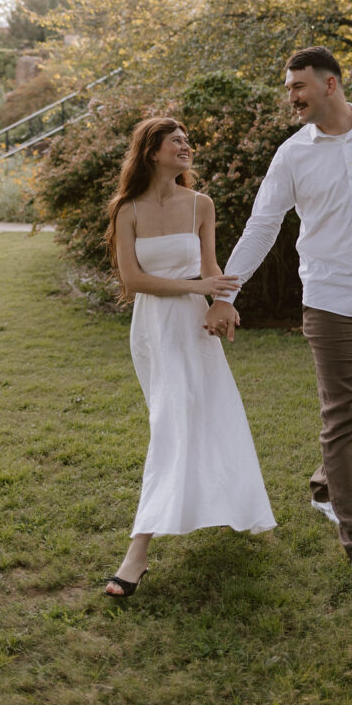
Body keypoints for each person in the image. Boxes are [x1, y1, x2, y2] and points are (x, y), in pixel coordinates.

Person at [205, 47, 352, 588]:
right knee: (344, 413)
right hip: (328, 299)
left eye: (298, 86)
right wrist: (225, 295)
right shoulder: (291, 156)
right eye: (288, 87)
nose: (291, 97)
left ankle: (329, 486)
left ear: (331, 84)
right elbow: (263, 226)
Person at [103, 116, 276, 597]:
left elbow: (212, 268)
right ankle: (157, 535)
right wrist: (197, 287)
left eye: (187, 140)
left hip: (195, 325)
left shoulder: (201, 204)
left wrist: (222, 304)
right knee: (173, 420)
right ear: (151, 150)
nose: (185, 146)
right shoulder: (127, 210)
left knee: (200, 417)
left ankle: (136, 556)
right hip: (154, 329)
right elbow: (133, 281)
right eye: (175, 141)